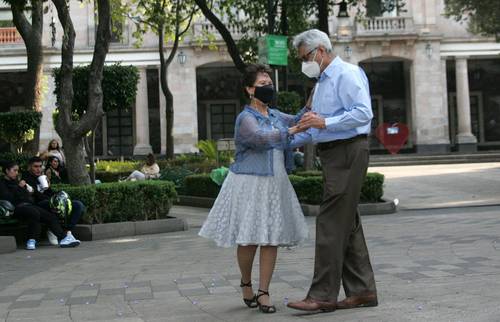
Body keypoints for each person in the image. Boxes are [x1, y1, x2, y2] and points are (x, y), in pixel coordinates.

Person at [198, 63, 308, 314]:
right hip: (249, 184)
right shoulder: (245, 118)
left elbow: (300, 120)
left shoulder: (276, 115)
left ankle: (264, 291)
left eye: (269, 83)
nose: (268, 87)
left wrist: (313, 100)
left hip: (275, 182)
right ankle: (246, 282)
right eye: (262, 84)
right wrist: (291, 130)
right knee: (249, 239)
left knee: (271, 238)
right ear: (249, 89)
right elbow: (259, 139)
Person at [286, 29, 377, 312]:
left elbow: (363, 113)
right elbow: (314, 128)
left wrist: (324, 122)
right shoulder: (321, 83)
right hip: (334, 152)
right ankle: (362, 290)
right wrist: (282, 140)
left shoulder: (346, 74)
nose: (304, 63)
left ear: (321, 51)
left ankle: (322, 295)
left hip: (348, 150)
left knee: (330, 222)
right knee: (346, 223)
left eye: (306, 57)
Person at [0, 160, 79, 250]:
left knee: (49, 216)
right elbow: (7, 197)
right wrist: (19, 188)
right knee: (34, 212)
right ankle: (31, 240)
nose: (17, 173)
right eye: (14, 170)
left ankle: (63, 238)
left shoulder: (17, 182)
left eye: (17, 171)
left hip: (28, 205)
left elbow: (25, 196)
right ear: (7, 171)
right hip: (15, 208)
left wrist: (27, 189)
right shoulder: (2, 183)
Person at [24, 156, 84, 246]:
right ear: (29, 167)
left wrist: (56, 192)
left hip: (50, 202)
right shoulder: (26, 179)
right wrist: (38, 192)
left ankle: (67, 231)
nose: (38, 169)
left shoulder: (42, 178)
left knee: (77, 205)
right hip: (38, 205)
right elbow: (34, 196)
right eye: (35, 167)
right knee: (55, 204)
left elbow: (50, 193)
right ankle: (55, 231)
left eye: (40, 166)